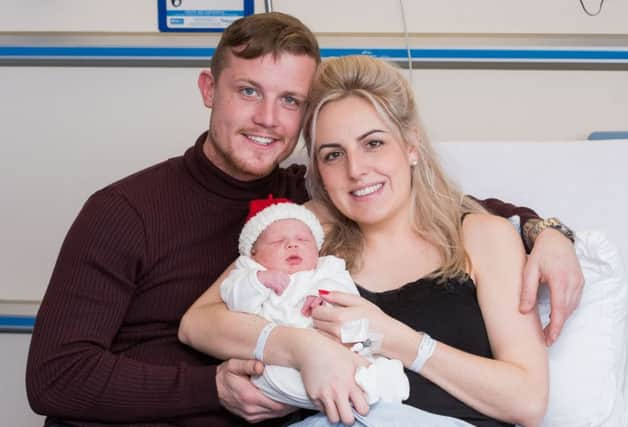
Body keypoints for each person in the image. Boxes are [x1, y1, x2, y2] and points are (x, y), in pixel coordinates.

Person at [25, 11, 581, 427]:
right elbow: (58, 377)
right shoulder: (130, 211)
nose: (268, 119)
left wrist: (545, 231)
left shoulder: (313, 202)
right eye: (248, 91)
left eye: (290, 100)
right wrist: (234, 378)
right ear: (207, 89)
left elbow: (436, 202)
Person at [178, 55, 550, 427]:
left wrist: (399, 341)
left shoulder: (482, 238)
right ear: (319, 171)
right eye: (334, 155)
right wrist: (304, 349)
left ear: (410, 144)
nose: (355, 171)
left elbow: (528, 400)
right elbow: (198, 322)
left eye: (373, 143)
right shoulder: (308, 231)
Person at [221, 195, 412, 409]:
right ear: (253, 253)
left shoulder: (326, 268)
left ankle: (380, 380)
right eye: (277, 242)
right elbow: (235, 301)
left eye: (303, 240)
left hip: (338, 342)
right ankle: (349, 393)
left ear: (316, 248)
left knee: (367, 345)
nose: (292, 244)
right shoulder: (248, 271)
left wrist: (323, 297)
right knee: (268, 379)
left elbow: (347, 295)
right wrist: (258, 281)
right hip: (285, 358)